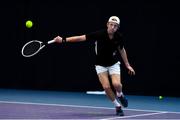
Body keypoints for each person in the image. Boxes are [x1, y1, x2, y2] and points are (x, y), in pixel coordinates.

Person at [53, 16, 135, 116]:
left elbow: (121, 50)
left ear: (118, 28)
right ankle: (117, 106)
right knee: (106, 86)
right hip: (100, 65)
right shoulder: (99, 34)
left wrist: (127, 65)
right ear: (107, 25)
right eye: (111, 25)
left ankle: (120, 95)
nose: (113, 27)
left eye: (115, 26)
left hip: (113, 64)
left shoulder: (119, 37)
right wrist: (63, 40)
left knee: (117, 85)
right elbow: (81, 38)